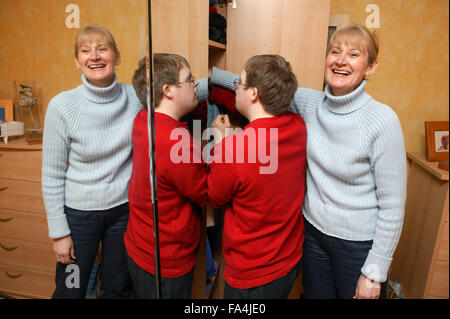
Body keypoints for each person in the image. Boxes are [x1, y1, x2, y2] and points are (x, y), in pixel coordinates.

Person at [209, 24, 407, 299]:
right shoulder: (308, 103)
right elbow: (259, 87)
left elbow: (393, 207)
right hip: (311, 235)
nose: (340, 60)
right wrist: (204, 82)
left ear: (370, 67)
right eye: (335, 51)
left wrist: (375, 271)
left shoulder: (383, 121)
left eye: (353, 54)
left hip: (356, 244)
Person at [42, 24, 142, 298]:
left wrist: (230, 83)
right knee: (70, 288)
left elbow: (175, 89)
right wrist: (59, 234)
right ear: (77, 60)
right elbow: (51, 175)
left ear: (117, 57)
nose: (94, 56)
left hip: (123, 214)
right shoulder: (62, 106)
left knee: (117, 287)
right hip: (79, 218)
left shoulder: (134, 97)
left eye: (102, 49)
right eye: (85, 51)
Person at [208, 54, 307, 298]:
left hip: (253, 273)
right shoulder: (298, 126)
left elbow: (215, 196)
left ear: (253, 93)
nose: (235, 88)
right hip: (289, 258)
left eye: (238, 83)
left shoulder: (235, 147)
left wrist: (221, 140)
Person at [124, 54, 208, 298]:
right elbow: (205, 193)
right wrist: (222, 144)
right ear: (169, 90)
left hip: (140, 244)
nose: (196, 85)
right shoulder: (177, 142)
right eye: (190, 80)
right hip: (167, 260)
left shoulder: (143, 119)